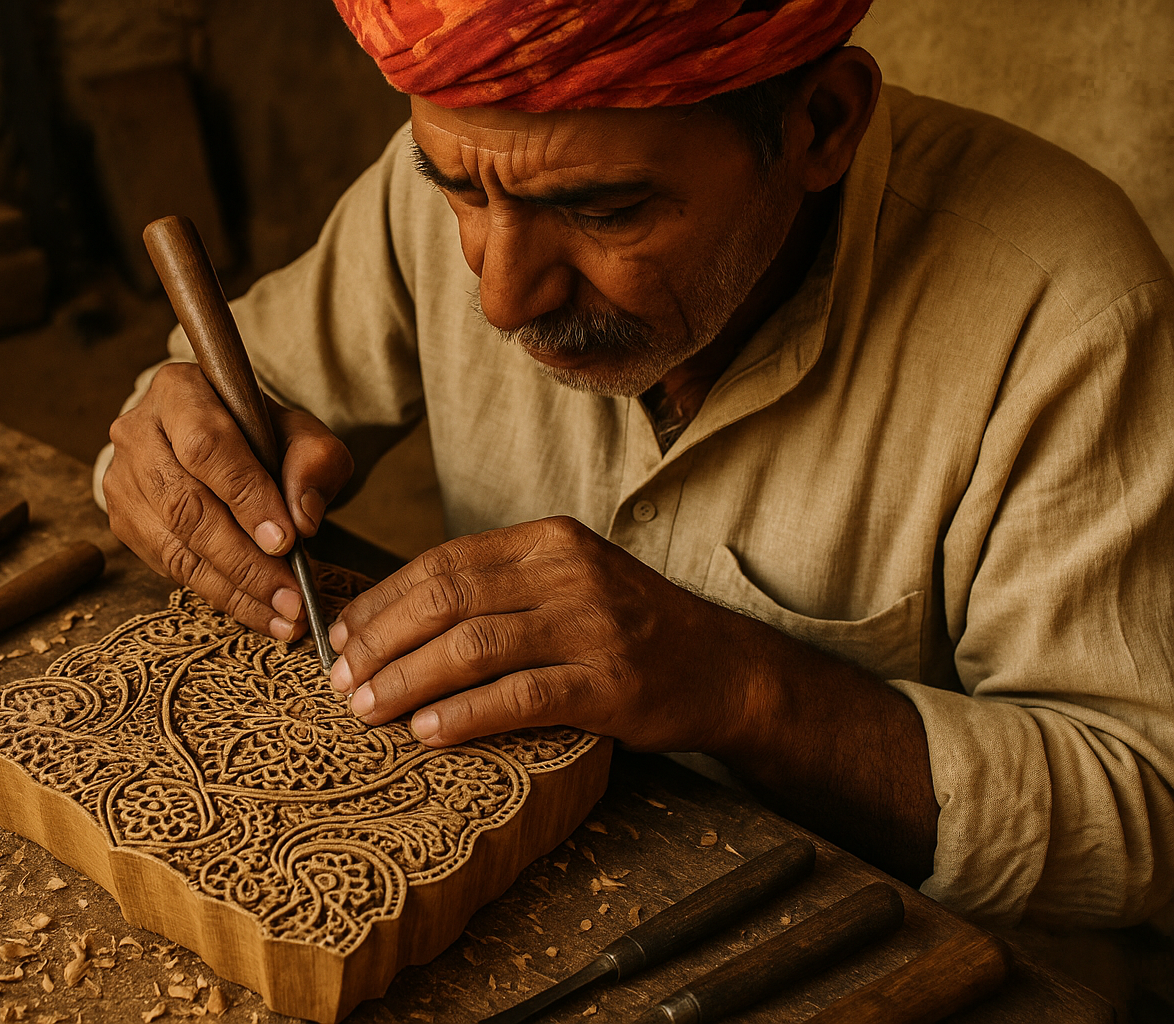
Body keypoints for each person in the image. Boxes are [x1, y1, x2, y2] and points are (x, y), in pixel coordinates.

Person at [97, 0, 1174, 933]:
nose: (501, 297)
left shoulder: (1068, 309)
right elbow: (224, 398)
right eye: (459, 192)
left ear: (820, 126)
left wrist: (737, 685)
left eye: (603, 211)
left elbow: (1141, 814)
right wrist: (175, 454)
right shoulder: (481, 163)